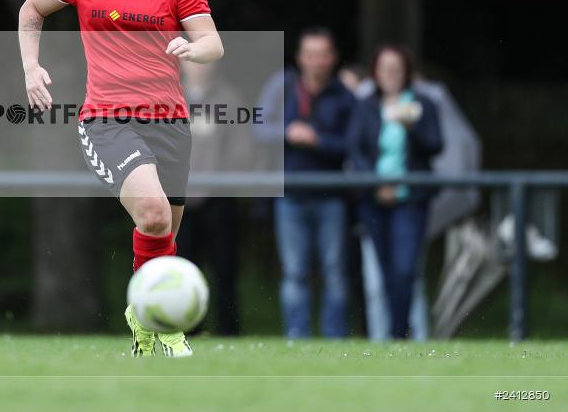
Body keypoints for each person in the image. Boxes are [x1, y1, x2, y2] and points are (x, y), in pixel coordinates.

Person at [17, 0, 223, 357]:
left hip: (170, 122)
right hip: (107, 119)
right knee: (152, 214)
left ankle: (143, 323)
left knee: (162, 233)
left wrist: (193, 48)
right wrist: (31, 66)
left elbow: (213, 44)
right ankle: (167, 328)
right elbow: (31, 8)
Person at [254, 27, 355, 338]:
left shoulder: (345, 97)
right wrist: (288, 133)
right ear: (300, 58)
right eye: (310, 54)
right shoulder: (280, 87)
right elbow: (257, 129)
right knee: (294, 273)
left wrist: (317, 141)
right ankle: (297, 339)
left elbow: (354, 145)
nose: (317, 61)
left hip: (332, 197)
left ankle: (335, 341)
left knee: (335, 274)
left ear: (333, 58)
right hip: (290, 196)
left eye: (322, 55)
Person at [347, 45, 443, 339]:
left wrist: (411, 126)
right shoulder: (365, 106)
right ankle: (386, 336)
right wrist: (377, 183)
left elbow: (436, 145)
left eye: (396, 68)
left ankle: (399, 334)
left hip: (411, 200)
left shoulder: (424, 104)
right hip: (373, 200)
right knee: (382, 274)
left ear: (407, 72)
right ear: (375, 72)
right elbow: (355, 149)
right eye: (384, 68)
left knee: (404, 270)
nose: (390, 74)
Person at [177, 60, 253, 335]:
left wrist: (217, 182)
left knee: (225, 268)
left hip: (218, 199)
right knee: (183, 271)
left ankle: (228, 332)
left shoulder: (229, 99)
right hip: (179, 201)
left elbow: (241, 150)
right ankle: (187, 330)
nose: (197, 67)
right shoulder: (167, 97)